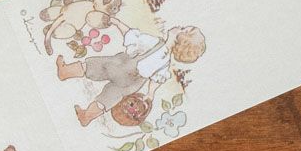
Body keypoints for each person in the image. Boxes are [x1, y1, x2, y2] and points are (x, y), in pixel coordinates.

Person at [56, 24, 206, 128]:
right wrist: (150, 94)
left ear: (180, 39)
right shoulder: (165, 62)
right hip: (132, 83)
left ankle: (66, 72)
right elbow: (156, 80)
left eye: (183, 29)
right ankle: (87, 116)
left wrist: (117, 23)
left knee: (97, 66)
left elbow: (134, 37)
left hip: (122, 66)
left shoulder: (156, 43)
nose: (179, 26)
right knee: (110, 96)